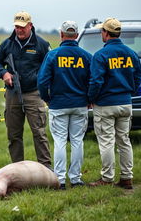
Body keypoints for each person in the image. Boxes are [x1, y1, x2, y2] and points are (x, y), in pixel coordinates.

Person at [0, 11, 52, 169]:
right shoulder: (7, 44)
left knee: (39, 133)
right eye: (17, 27)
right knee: (13, 135)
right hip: (12, 94)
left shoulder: (42, 44)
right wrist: (3, 73)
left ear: (30, 26)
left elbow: (49, 66)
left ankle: (46, 169)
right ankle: (17, 169)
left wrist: (41, 80)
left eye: (23, 27)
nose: (19, 30)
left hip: (34, 94)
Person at [88, 18, 141, 189]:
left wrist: (91, 98)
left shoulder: (101, 55)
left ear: (105, 33)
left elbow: (96, 81)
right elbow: (137, 77)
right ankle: (127, 178)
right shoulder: (132, 54)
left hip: (105, 105)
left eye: (101, 31)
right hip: (125, 104)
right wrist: (128, 93)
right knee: (124, 141)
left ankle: (107, 178)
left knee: (106, 142)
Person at [38, 21, 92, 190]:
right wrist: (89, 98)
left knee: (60, 141)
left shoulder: (53, 55)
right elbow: (93, 80)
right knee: (77, 141)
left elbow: (42, 81)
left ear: (61, 34)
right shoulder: (86, 56)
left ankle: (60, 179)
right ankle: (75, 178)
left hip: (58, 104)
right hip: (80, 104)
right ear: (76, 35)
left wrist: (47, 98)